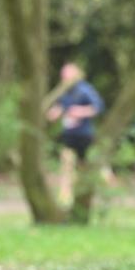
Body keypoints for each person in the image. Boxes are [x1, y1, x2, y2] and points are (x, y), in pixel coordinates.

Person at [46, 62, 105, 206]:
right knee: (66, 164)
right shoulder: (64, 92)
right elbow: (60, 107)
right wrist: (55, 113)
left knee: (89, 165)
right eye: (63, 74)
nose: (64, 77)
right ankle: (65, 194)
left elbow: (98, 107)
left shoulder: (85, 90)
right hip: (69, 134)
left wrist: (81, 111)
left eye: (68, 74)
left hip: (84, 135)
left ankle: (105, 190)